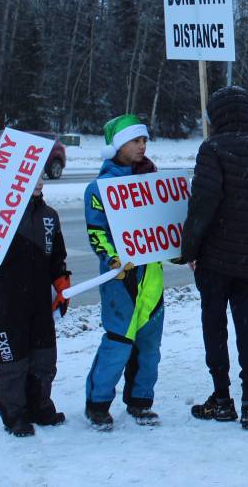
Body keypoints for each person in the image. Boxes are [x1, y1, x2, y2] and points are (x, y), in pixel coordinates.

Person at [183, 86, 248, 431]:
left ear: (218, 116)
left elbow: (203, 204)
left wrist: (190, 249)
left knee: (215, 327)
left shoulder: (213, 149)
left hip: (217, 259)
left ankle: (222, 398)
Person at [0, 176, 71, 437]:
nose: (40, 180)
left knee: (44, 356)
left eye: (43, 175)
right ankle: (15, 414)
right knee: (13, 358)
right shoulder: (1, 211)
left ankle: (40, 406)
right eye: (33, 174)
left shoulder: (50, 215)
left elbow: (57, 254)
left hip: (40, 298)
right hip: (9, 297)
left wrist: (61, 279)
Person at [83, 115, 164, 430]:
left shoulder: (155, 183)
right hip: (121, 280)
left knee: (149, 347)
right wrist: (112, 259)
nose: (142, 146)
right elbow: (97, 231)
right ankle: (98, 404)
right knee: (118, 344)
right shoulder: (99, 188)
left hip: (152, 280)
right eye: (135, 141)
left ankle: (141, 401)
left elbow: (167, 227)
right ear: (117, 146)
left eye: (144, 140)